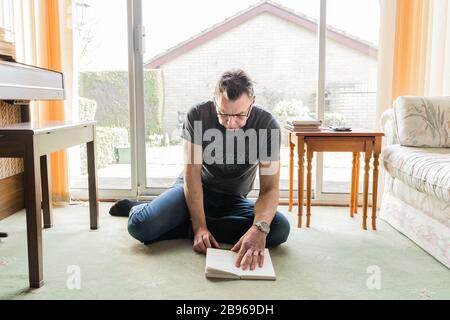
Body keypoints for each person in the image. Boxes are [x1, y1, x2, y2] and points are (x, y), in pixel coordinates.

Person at [109, 69, 290, 271]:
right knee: (140, 226)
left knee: (278, 229)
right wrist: (199, 226)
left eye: (239, 115)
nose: (231, 123)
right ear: (215, 100)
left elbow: (270, 189)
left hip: (233, 200)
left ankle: (178, 220)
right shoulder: (197, 115)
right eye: (224, 113)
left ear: (252, 102)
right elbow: (192, 173)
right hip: (193, 190)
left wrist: (258, 230)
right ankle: (144, 209)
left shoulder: (268, 126)